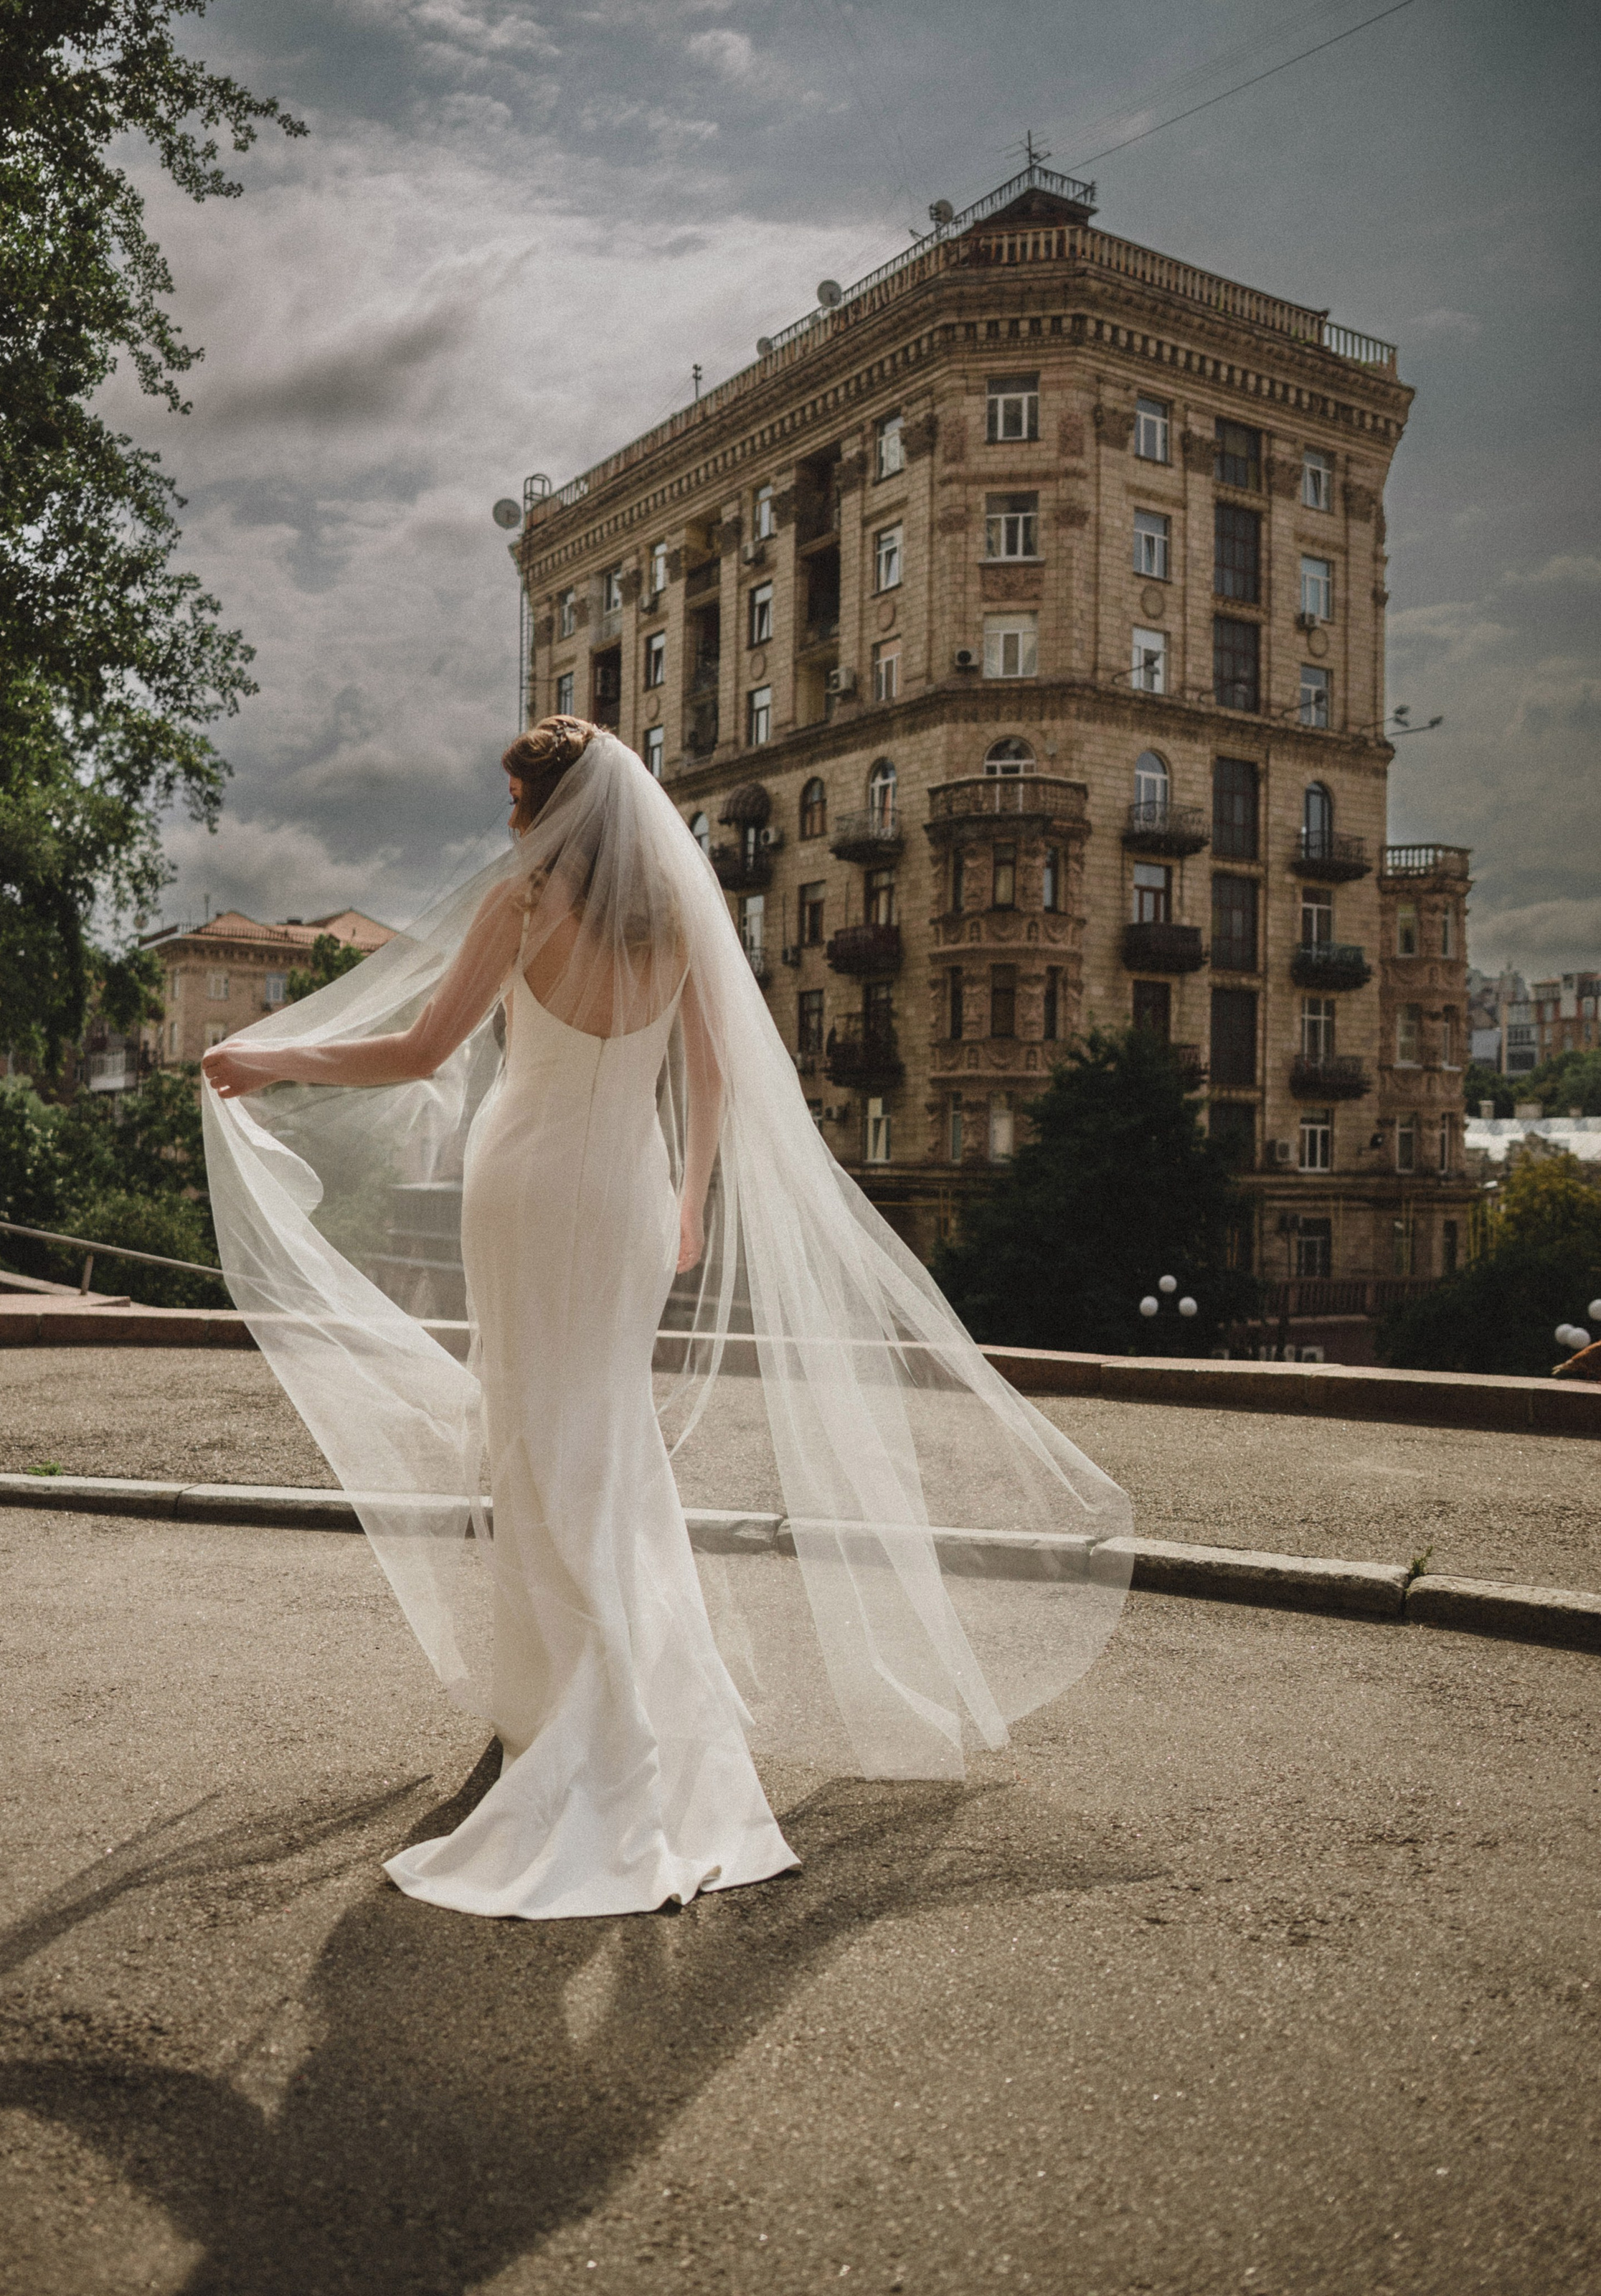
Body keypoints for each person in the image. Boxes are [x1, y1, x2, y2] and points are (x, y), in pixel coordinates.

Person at [200, 719, 1133, 1920]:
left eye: (516, 800)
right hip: (629, 1196)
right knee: (606, 1435)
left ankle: (580, 1712)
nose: (507, 822)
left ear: (553, 807)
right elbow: (715, 1077)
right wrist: (685, 1204)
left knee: (536, 1434)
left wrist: (276, 1063)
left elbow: (424, 1050)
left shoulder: (524, 907)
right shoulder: (678, 922)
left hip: (529, 1185)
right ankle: (599, 1694)